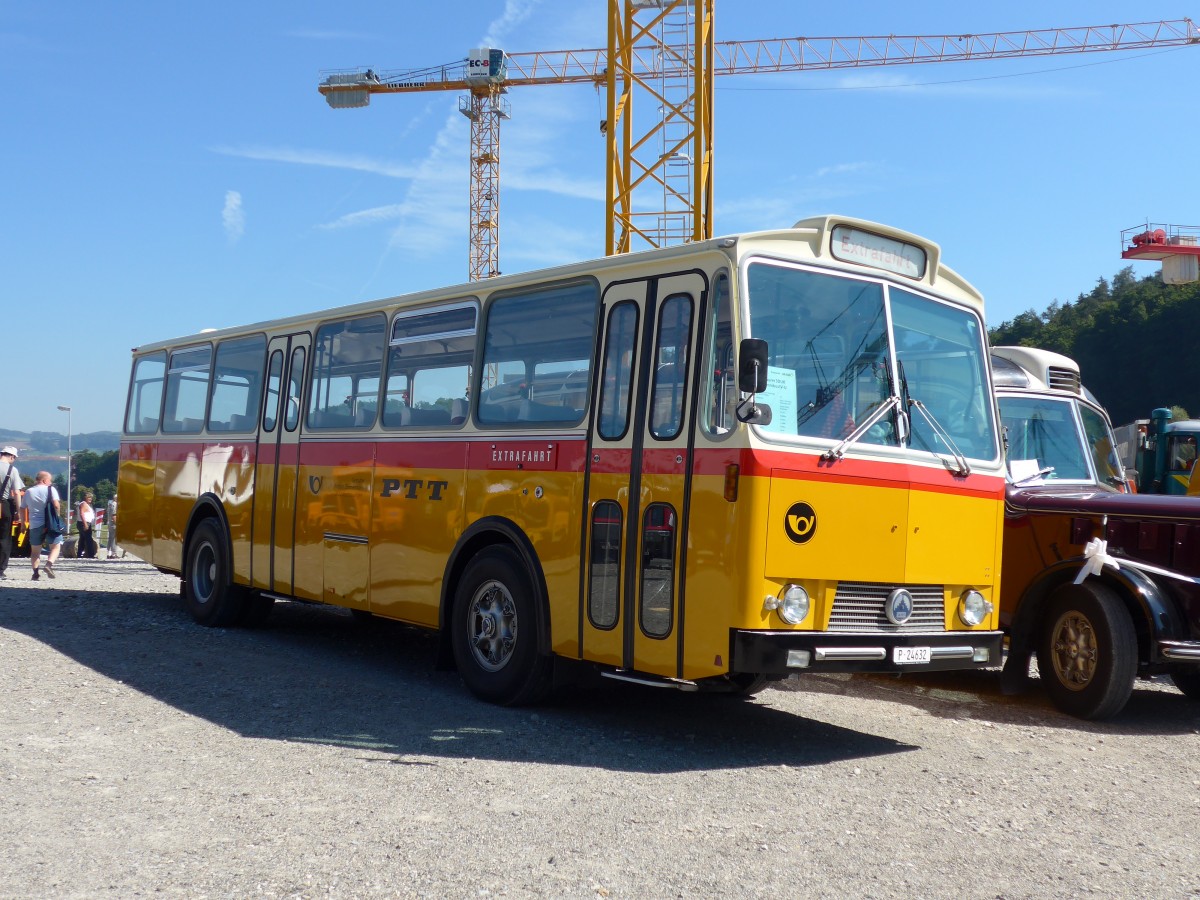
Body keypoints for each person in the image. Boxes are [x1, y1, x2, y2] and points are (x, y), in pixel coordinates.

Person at [23, 471, 63, 581]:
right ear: (45, 480)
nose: (51, 482)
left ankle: (35, 573)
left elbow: (22, 508)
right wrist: (58, 517)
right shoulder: (51, 489)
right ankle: (48, 565)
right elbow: (56, 505)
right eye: (50, 480)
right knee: (56, 546)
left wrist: (23, 523)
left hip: (34, 524)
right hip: (50, 524)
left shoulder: (29, 491)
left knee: (35, 551)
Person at [0, 447, 22, 579]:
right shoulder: (12, 470)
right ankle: (0, 570)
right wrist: (19, 512)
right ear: (12, 457)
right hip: (4, 506)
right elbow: (17, 493)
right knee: (4, 538)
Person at [76, 492, 98, 559]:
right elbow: (82, 514)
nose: (90, 499)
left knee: (82, 539)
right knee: (89, 539)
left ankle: (79, 554)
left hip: (83, 523)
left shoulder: (85, 504)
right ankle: (91, 555)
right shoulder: (83, 504)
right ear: (85, 498)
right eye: (88, 497)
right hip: (84, 523)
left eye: (91, 497)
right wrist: (85, 524)